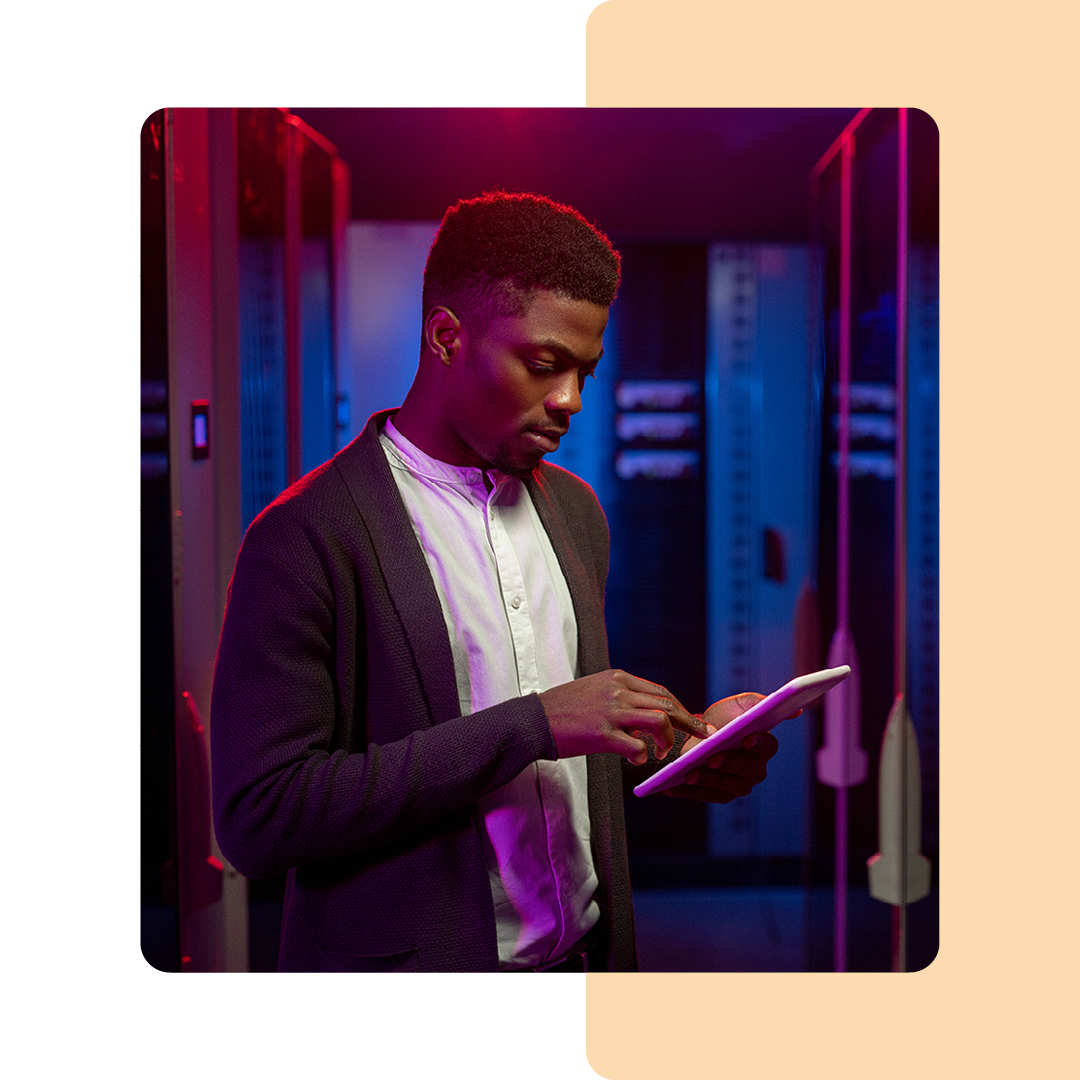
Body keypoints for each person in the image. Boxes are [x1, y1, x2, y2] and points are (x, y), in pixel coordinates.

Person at [211, 191, 778, 973]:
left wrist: (680, 751)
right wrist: (535, 722)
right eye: (545, 365)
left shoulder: (575, 511)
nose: (570, 401)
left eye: (585, 371)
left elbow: (566, 741)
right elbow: (262, 819)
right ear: (447, 336)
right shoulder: (304, 537)